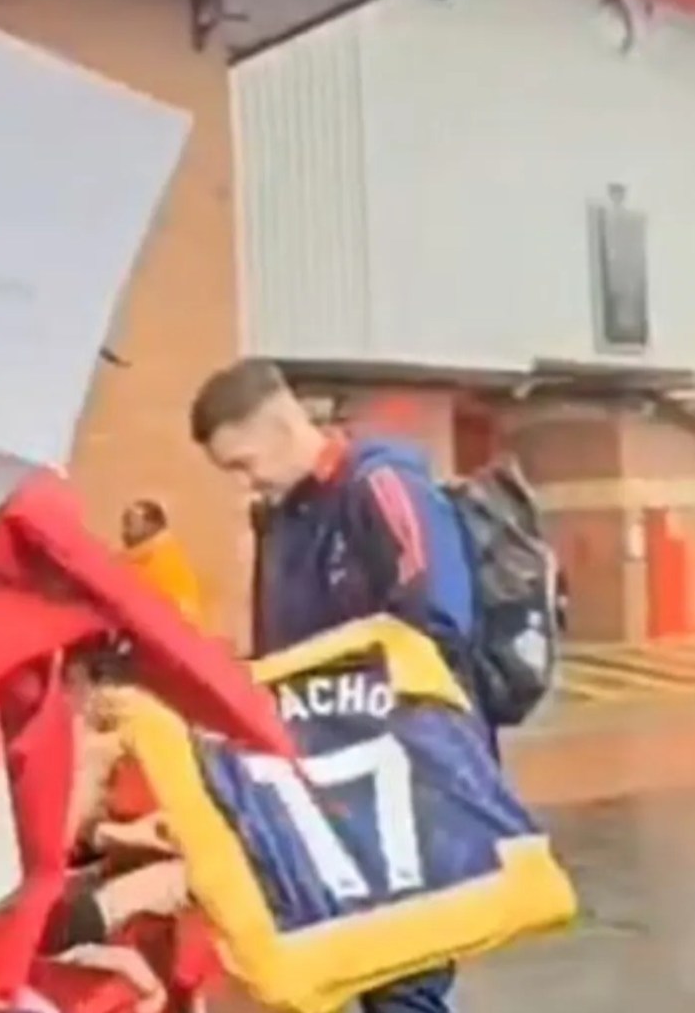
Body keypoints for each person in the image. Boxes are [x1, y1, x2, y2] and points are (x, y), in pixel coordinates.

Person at [190, 358, 474, 1013]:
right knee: (355, 977)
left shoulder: (383, 487)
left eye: (243, 463)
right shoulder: (285, 520)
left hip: (404, 783)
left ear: (283, 424)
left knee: (404, 980)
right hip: (327, 785)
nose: (247, 483)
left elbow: (436, 628)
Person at [120, 499, 205, 625]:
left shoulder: (166, 558)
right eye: (125, 524)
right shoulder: (135, 559)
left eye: (130, 523)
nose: (125, 532)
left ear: (151, 526)